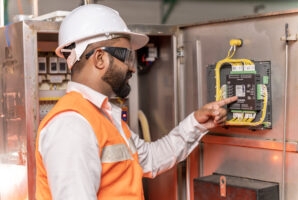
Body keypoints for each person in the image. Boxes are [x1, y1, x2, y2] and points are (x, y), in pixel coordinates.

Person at [35, 4, 237, 200]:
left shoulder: (101, 115)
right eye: (127, 58)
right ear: (99, 59)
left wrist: (197, 122)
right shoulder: (72, 126)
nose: (132, 69)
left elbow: (149, 158)